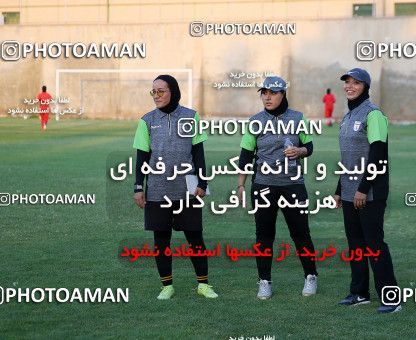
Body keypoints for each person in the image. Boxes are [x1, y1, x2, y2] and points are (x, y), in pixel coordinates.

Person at [132, 75, 218, 300]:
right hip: (158, 189)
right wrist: (138, 187)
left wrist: (202, 182)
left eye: (161, 91)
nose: (157, 96)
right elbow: (142, 157)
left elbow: (198, 153)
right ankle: (166, 286)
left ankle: (203, 285)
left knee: (195, 238)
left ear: (173, 91)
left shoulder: (191, 116)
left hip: (186, 189)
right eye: (154, 92)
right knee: (161, 240)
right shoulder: (146, 121)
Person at [237, 76, 318, 300]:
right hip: (263, 186)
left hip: (293, 185)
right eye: (264, 93)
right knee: (264, 236)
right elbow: (246, 155)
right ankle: (264, 281)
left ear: (283, 94)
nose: (267, 97)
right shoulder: (255, 121)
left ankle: (310, 276)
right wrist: (241, 185)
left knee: (301, 234)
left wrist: (299, 152)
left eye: (272, 93)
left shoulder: (298, 118)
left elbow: (309, 146)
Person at [333, 68, 401, 313]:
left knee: (374, 245)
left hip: (370, 192)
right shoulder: (347, 116)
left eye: (356, 83)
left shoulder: (374, 115)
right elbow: (348, 158)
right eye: (347, 82)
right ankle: (359, 293)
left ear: (366, 87)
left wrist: (363, 188)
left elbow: (378, 155)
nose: (349, 86)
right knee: (356, 245)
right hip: (351, 192)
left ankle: (391, 299)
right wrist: (340, 189)